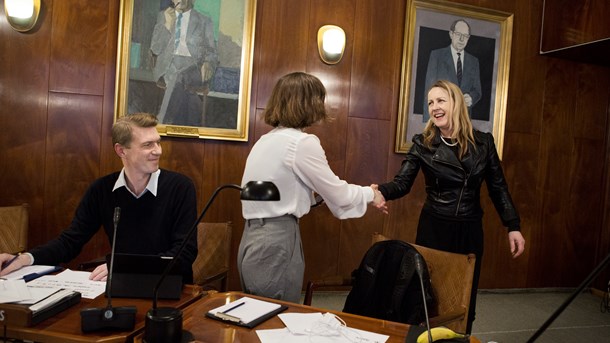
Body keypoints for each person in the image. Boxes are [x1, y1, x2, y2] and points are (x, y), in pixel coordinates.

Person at [376, 80, 525, 333]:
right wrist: (380, 191)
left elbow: (498, 188)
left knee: (465, 297)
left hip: (469, 231)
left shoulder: (484, 143)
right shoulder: (423, 143)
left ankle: (460, 338)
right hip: (434, 229)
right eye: (430, 103)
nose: (434, 107)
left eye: (440, 100)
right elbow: (402, 183)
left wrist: (513, 225)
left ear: (455, 103)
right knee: (427, 295)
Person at [237, 72, 386, 303]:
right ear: (308, 103)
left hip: (251, 239)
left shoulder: (265, 141)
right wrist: (371, 193)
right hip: (277, 242)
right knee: (276, 319)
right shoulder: (301, 143)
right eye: (319, 99)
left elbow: (280, 192)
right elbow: (338, 192)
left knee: (257, 317)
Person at [0, 113, 198, 283]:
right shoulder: (102, 190)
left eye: (158, 142)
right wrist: (26, 258)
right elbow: (71, 241)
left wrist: (124, 267)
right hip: (119, 288)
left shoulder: (180, 187)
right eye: (148, 145)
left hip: (171, 290)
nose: (158, 151)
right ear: (121, 150)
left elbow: (184, 254)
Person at [150, 0, 218, 126]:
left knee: (179, 77)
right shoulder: (163, 16)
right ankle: (187, 126)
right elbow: (155, 48)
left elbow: (212, 51)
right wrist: (167, 25)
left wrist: (208, 62)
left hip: (194, 68)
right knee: (182, 85)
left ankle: (163, 122)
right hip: (168, 67)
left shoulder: (204, 21)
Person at [423, 19, 481, 122]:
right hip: (439, 119)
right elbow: (429, 91)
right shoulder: (437, 56)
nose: (462, 39)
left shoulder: (474, 61)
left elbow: (477, 91)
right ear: (451, 34)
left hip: (463, 120)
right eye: (458, 34)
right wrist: (428, 123)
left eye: (465, 36)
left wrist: (471, 98)